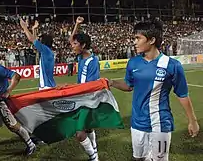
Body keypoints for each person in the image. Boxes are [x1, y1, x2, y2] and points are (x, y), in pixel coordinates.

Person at [107, 20, 200, 161]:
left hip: (161, 122)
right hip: (137, 123)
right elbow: (129, 85)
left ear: (151, 40)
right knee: (139, 158)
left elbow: (182, 94)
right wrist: (112, 83)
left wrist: (192, 121)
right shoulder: (133, 63)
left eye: (138, 38)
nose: (134, 42)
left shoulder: (172, 65)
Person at [0, 44, 36, 161]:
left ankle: (31, 145)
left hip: (0, 105)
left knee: (14, 127)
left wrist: (8, 91)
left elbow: (16, 76)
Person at [69, 16, 100, 161]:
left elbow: (91, 86)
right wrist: (76, 25)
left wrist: (74, 91)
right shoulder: (82, 56)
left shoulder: (92, 62)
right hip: (82, 97)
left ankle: (93, 157)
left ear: (83, 46)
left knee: (79, 133)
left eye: (75, 44)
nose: (72, 46)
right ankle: (95, 151)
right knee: (88, 129)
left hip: (88, 99)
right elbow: (71, 39)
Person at [19, 19, 56, 90]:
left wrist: (24, 27)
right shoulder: (47, 51)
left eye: (41, 40)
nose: (40, 41)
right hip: (48, 85)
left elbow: (32, 40)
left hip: (46, 86)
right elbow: (35, 41)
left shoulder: (45, 50)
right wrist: (34, 29)